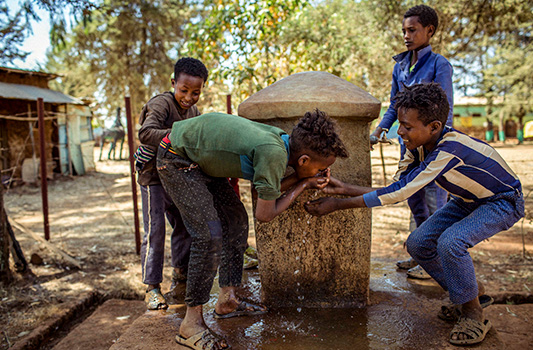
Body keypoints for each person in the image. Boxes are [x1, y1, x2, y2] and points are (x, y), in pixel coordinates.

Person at [305, 83, 524, 346]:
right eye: (400, 124)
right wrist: (343, 188)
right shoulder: (417, 148)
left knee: (451, 242)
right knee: (418, 244)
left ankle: (473, 313)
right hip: (467, 200)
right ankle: (468, 293)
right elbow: (397, 187)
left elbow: (398, 193)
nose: (401, 131)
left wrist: (337, 204)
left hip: (501, 201)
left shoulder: (448, 150)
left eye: (407, 126)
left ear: (433, 127)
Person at [157, 109, 348, 349]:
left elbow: (264, 190)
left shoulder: (281, 142)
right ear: (303, 161)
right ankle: (190, 325)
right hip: (177, 157)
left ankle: (227, 301)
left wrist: (305, 180)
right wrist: (303, 185)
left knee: (235, 221)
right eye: (319, 169)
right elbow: (265, 213)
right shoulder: (274, 152)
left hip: (201, 161)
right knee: (209, 235)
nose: (320, 173)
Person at [370, 4, 454, 279]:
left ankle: (436, 261)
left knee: (435, 202)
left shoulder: (440, 65)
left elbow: (445, 108)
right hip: (409, 146)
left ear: (429, 30)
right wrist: (382, 127)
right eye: (404, 30)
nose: (406, 35)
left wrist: (438, 145)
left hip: (433, 147)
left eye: (412, 30)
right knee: (414, 198)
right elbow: (395, 104)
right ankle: (420, 254)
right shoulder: (401, 66)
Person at [136, 57, 208, 310]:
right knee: (155, 230)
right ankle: (152, 288)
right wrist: (177, 134)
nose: (189, 97)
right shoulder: (161, 103)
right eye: (184, 90)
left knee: (184, 224)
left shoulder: (194, 111)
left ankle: (180, 273)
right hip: (153, 177)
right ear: (173, 83)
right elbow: (145, 133)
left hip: (177, 176)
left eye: (196, 92)